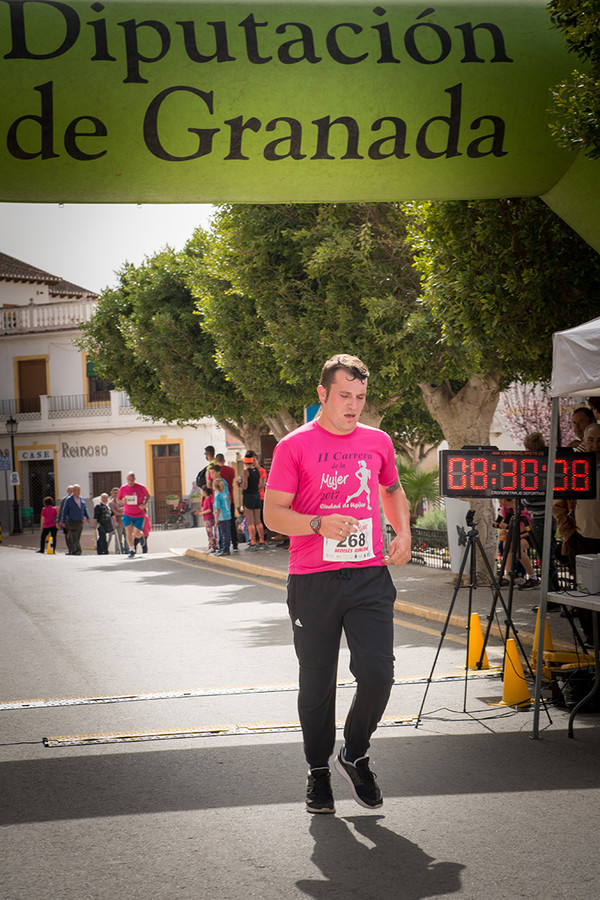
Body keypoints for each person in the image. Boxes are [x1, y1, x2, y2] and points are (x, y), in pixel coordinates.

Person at [264, 354, 411, 814]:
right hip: (313, 580)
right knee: (317, 683)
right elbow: (272, 515)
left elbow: (391, 490)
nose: (353, 406)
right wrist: (316, 523)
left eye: (360, 397)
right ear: (323, 394)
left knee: (377, 673)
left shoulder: (378, 441)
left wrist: (403, 531)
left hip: (369, 576)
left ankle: (354, 751)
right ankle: (318, 773)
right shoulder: (293, 446)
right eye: (344, 396)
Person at [117, 471, 150, 558]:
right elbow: (118, 499)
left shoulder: (141, 487)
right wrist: (122, 501)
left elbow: (148, 495)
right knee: (128, 531)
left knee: (136, 533)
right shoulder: (123, 488)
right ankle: (132, 550)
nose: (130, 482)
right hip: (127, 514)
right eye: (129, 480)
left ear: (135, 479)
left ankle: (141, 535)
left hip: (139, 514)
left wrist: (144, 504)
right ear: (126, 479)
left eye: (132, 480)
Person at [241, 452, 266, 550]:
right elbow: (260, 485)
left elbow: (245, 486)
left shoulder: (245, 472)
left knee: (250, 521)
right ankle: (261, 540)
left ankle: (253, 541)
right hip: (257, 495)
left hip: (248, 496)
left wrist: (240, 484)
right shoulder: (257, 471)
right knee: (258, 520)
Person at [215, 454, 238, 550]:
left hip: (220, 500)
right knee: (231, 522)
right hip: (230, 499)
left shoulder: (216, 472)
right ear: (224, 460)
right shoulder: (231, 470)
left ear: (216, 461)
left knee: (222, 525)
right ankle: (235, 543)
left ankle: (223, 546)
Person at [61, 484, 90, 555]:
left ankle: (72, 551)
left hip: (80, 521)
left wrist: (87, 517)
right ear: (73, 491)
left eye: (79, 490)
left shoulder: (81, 499)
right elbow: (65, 511)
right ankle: (78, 550)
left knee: (76, 537)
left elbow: (84, 509)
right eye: (77, 490)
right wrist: (63, 521)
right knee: (73, 536)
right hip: (71, 521)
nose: (78, 491)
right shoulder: (69, 499)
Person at [213, 477, 232, 556]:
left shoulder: (217, 496)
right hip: (227, 514)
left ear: (215, 487)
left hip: (222, 516)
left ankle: (225, 549)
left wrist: (216, 519)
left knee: (224, 533)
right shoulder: (224, 494)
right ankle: (226, 548)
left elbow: (218, 509)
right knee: (227, 532)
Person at [199, 485, 217, 552]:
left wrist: (202, 513)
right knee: (209, 533)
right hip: (206, 519)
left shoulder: (208, 499)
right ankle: (210, 545)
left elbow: (209, 509)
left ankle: (212, 545)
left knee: (210, 533)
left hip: (209, 519)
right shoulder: (206, 499)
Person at [108, 487, 126, 552]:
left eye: (117, 493)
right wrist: (122, 511)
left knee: (127, 538)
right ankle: (118, 551)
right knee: (119, 538)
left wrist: (119, 509)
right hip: (118, 523)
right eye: (114, 493)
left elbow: (127, 510)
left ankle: (127, 551)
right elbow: (114, 513)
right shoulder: (111, 503)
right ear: (112, 494)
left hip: (126, 523)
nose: (116, 494)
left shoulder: (124, 501)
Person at [57, 485, 73, 552]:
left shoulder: (76, 499)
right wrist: (58, 521)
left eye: (72, 490)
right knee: (67, 535)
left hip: (74, 521)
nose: (72, 492)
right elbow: (61, 511)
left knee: (74, 535)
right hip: (66, 521)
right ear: (67, 491)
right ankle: (70, 549)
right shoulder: (64, 500)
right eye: (70, 491)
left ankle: (74, 549)